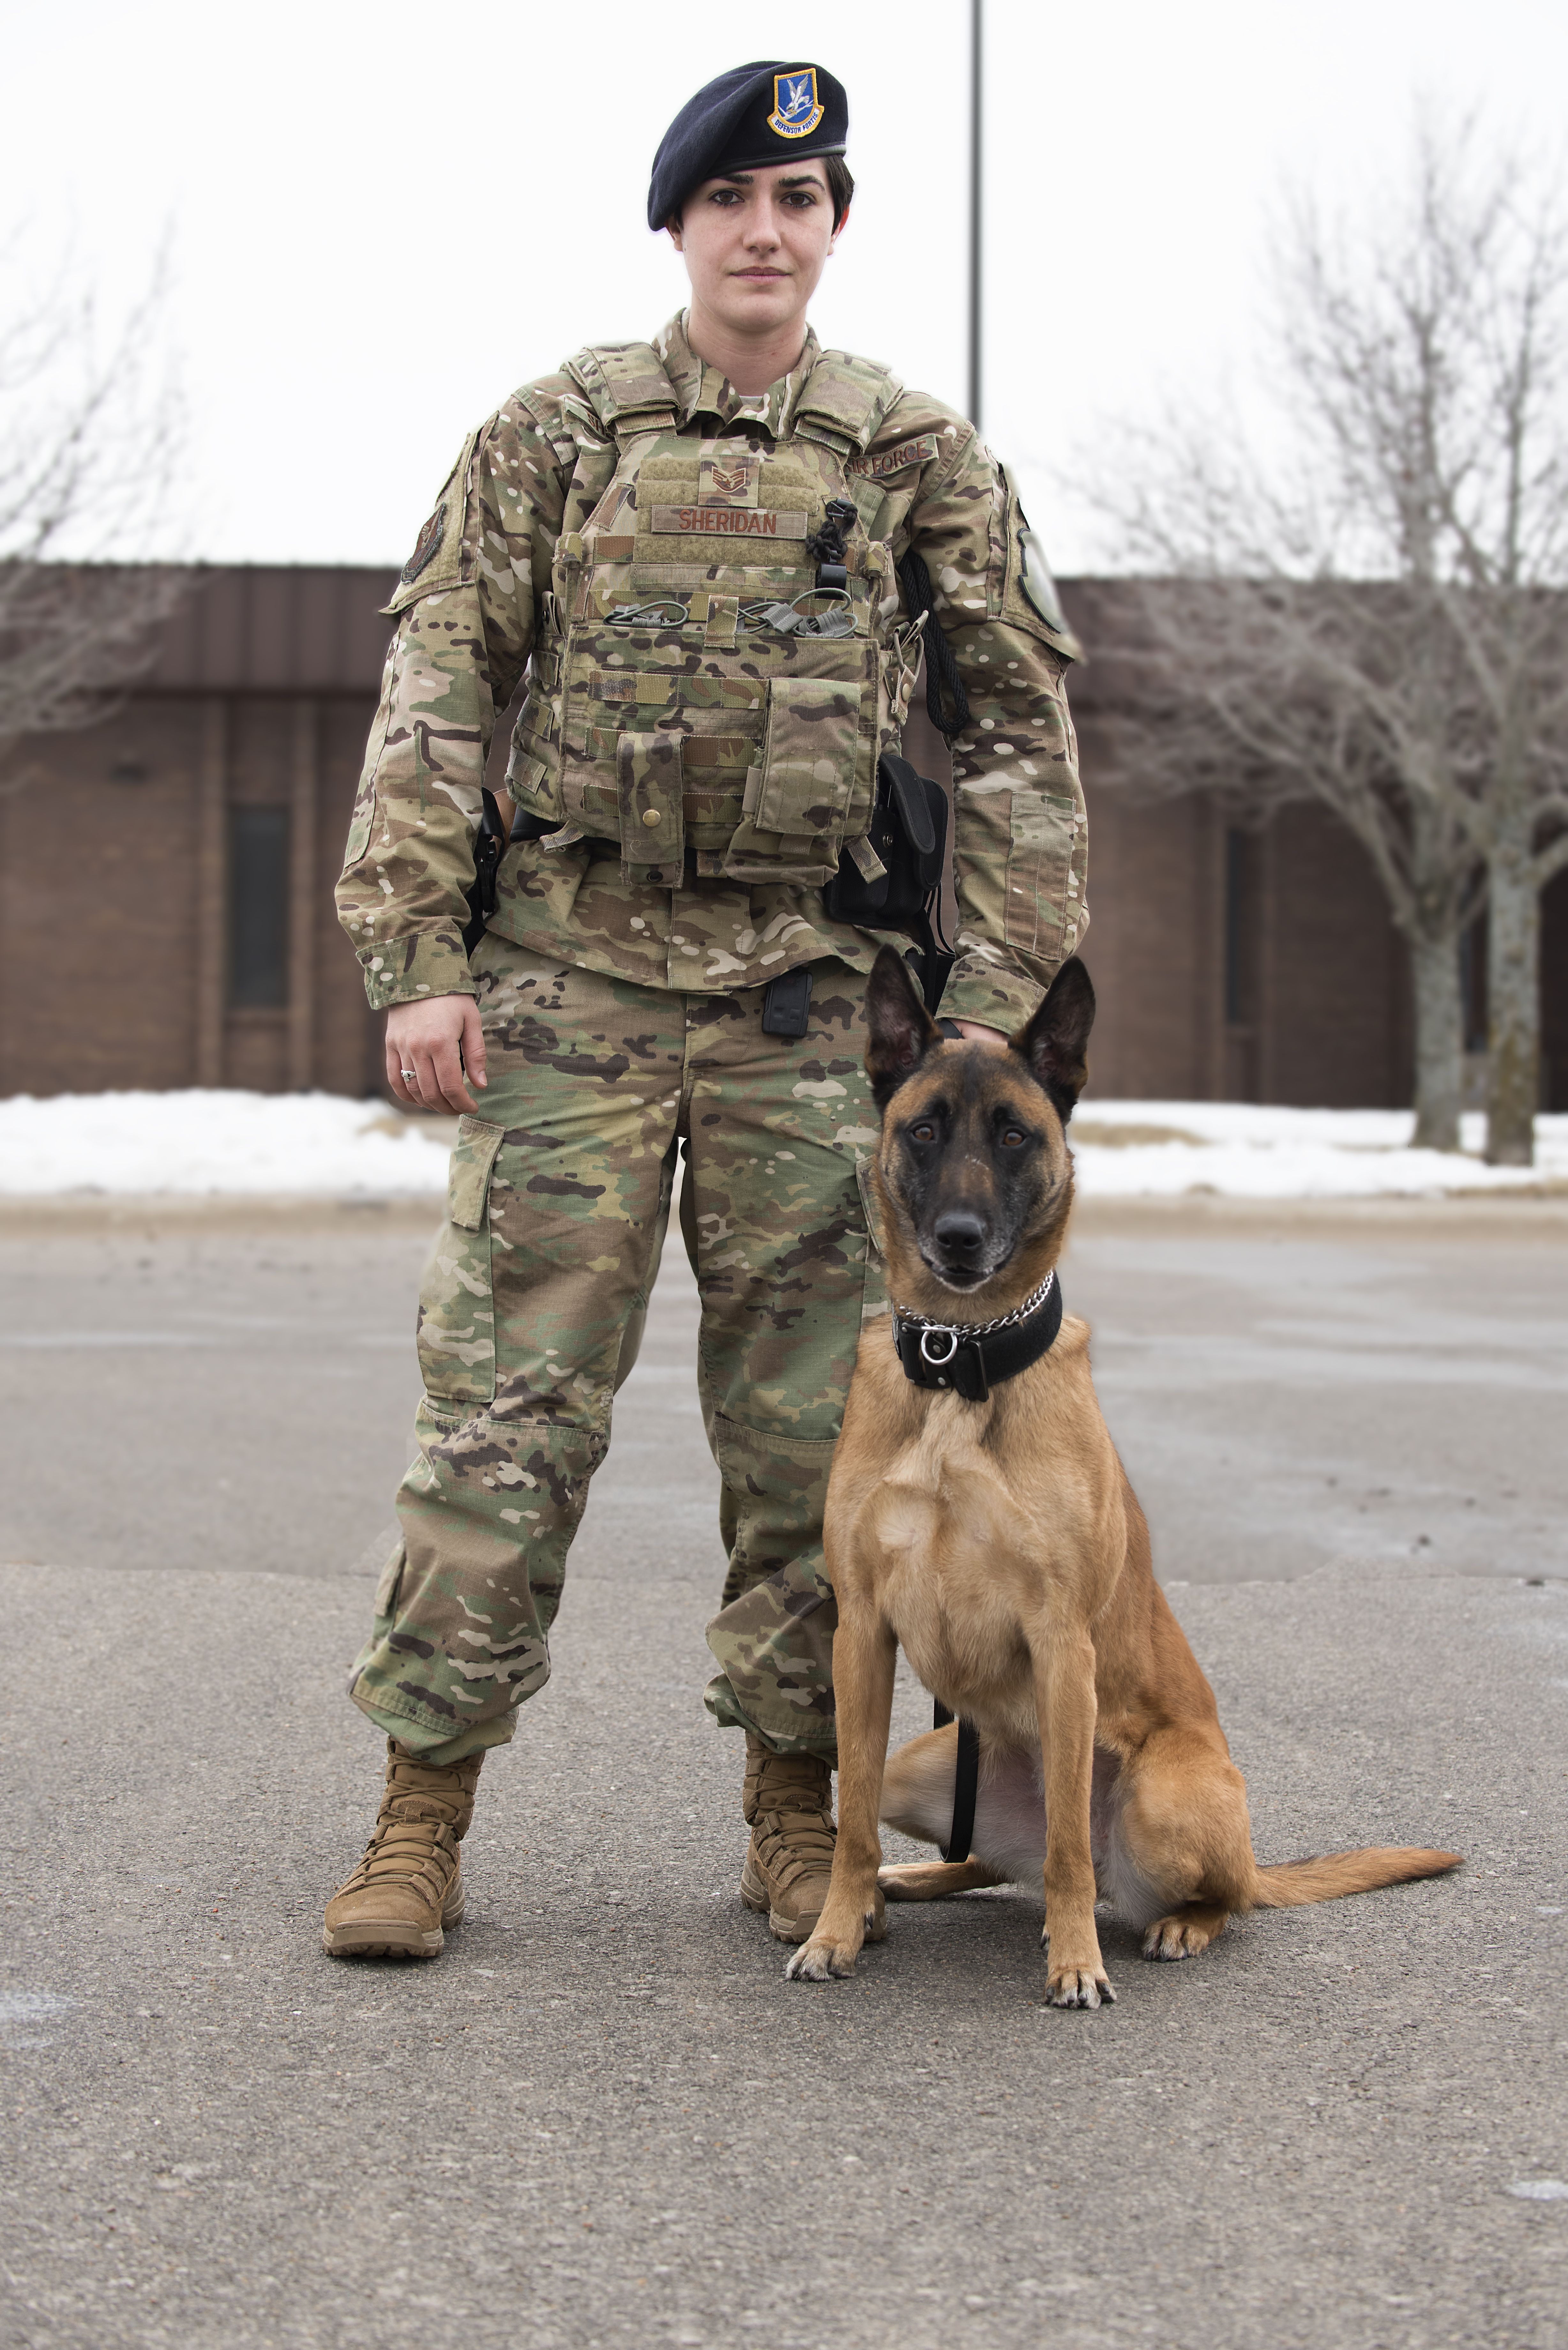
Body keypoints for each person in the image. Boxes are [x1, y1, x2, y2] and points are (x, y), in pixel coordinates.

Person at [324, 58, 1088, 1961]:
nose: (767, 231)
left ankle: (793, 1821)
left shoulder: (914, 454)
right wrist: (415, 960)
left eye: (802, 201)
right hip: (572, 988)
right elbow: (438, 688)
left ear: (832, 232)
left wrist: (987, 1010)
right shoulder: (558, 434)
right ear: (679, 225)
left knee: (811, 1444)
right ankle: (420, 1823)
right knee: (505, 1417)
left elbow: (1017, 735)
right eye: (733, 198)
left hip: (808, 1014)